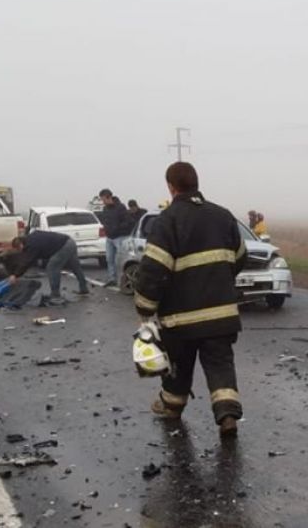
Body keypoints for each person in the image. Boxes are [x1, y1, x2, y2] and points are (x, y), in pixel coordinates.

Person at [134, 161, 246, 439]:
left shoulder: (168, 220)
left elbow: (153, 269)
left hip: (180, 318)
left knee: (179, 364)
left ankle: (171, 407)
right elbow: (240, 256)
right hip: (221, 315)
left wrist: (145, 308)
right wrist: (218, 280)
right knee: (220, 364)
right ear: (196, 183)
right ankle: (227, 413)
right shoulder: (223, 216)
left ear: (171, 187)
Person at [9, 230, 90, 303]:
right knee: (75, 267)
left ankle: (55, 295)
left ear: (20, 245)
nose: (20, 251)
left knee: (52, 268)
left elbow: (27, 262)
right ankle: (84, 289)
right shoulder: (32, 236)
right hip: (70, 242)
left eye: (19, 249)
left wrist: (15, 275)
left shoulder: (32, 245)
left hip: (63, 247)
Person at [98, 188, 133, 286]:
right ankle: (112, 278)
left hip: (120, 237)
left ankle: (124, 279)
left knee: (121, 259)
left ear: (108, 197)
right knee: (109, 259)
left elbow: (128, 221)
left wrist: (116, 227)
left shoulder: (120, 207)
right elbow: (105, 220)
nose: (103, 202)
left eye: (103, 199)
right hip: (109, 238)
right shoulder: (105, 209)